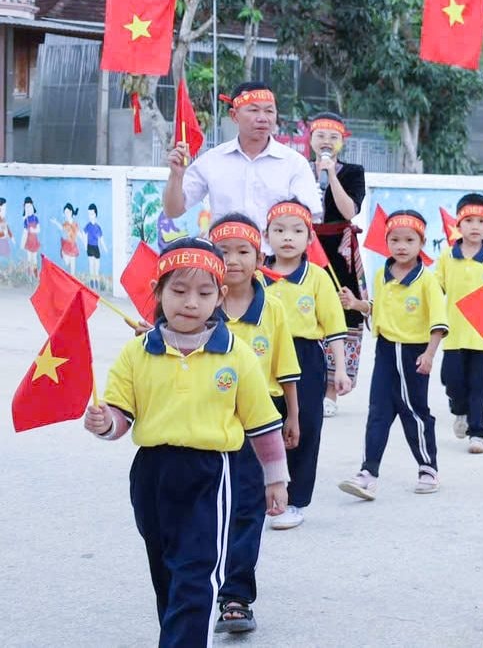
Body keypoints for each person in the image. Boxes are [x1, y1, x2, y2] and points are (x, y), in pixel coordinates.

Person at [83, 237, 287, 647]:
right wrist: (105, 422)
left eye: (204, 292)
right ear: (157, 292)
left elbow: (262, 424)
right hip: (152, 474)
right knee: (167, 573)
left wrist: (275, 479)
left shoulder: (237, 354)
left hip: (212, 475)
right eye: (178, 290)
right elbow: (124, 416)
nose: (190, 302)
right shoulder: (137, 353)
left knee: (196, 574)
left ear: (220, 297)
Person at [208, 213, 300, 634]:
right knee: (207, 510)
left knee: (248, 510)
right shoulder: (199, 303)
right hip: (206, 425)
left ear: (258, 255)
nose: (233, 260)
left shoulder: (274, 308)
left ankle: (236, 597)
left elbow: (286, 369)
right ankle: (197, 583)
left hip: (258, 428)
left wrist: (292, 417)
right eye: (223, 252)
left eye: (243, 251)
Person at [338, 210, 449, 499]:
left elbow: (438, 320)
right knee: (378, 412)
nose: (402, 246)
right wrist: (357, 304)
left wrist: (429, 354)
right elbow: (378, 308)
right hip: (386, 351)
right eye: (395, 239)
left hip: (414, 354)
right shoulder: (381, 274)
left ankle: (428, 468)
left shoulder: (427, 280)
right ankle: (368, 472)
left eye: (409, 240)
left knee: (414, 412)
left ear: (421, 243)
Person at [263, 198, 352, 528]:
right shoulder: (257, 276)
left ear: (309, 238)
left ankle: (294, 500)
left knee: (306, 427)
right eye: (280, 230)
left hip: (306, 359)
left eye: (297, 230)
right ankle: (263, 493)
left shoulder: (316, 277)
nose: (288, 237)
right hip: (264, 357)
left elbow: (334, 326)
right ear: (266, 234)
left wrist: (339, 370)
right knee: (264, 423)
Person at [164, 81, 321, 234]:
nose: (262, 118)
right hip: (224, 257)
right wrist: (176, 176)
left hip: (274, 258)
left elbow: (308, 218)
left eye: (269, 111)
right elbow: (173, 211)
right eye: (253, 110)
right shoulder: (212, 160)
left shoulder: (294, 163)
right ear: (234, 115)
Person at [306, 112, 368, 417]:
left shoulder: (353, 172)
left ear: (342, 142)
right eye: (321, 136)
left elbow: (349, 211)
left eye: (333, 137)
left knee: (342, 312)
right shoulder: (298, 169)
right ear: (310, 138)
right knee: (306, 309)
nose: (326, 142)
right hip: (305, 246)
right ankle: (308, 383)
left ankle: (333, 389)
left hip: (339, 250)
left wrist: (330, 175)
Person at [436, 194, 483, 453]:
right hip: (453, 332)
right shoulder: (446, 257)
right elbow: (434, 288)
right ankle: (459, 411)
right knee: (451, 380)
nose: (475, 226)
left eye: (481, 221)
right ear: (458, 225)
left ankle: (479, 430)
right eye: (469, 221)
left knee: (482, 385)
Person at [84, 203, 106, 291]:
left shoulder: (98, 227)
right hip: (90, 247)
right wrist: (85, 246)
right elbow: (84, 235)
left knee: (96, 267)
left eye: (92, 214)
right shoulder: (88, 226)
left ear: (95, 214)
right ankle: (92, 282)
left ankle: (96, 282)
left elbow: (101, 239)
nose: (90, 216)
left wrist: (104, 248)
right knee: (91, 266)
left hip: (96, 248)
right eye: (89, 214)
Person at [22, 196, 40, 276]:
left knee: (35, 258)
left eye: (29, 207)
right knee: (29, 259)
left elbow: (39, 229)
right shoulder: (26, 220)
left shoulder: (35, 218)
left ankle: (35, 274)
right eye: (26, 207)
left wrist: (34, 230)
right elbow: (25, 232)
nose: (28, 209)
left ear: (32, 206)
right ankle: (29, 275)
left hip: (34, 242)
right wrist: (22, 243)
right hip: (28, 242)